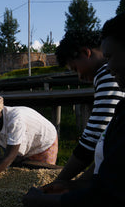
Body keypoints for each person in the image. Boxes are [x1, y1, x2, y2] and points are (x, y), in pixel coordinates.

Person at [23, 13, 125, 207]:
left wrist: (54, 191)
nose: (76, 75)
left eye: (72, 67)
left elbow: (91, 142)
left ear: (85, 53)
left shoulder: (106, 75)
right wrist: (75, 185)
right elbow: (108, 154)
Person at [47, 30, 124, 186]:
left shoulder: (107, 73)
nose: (80, 77)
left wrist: (61, 183)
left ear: (85, 53)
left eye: (75, 69)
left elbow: (93, 138)